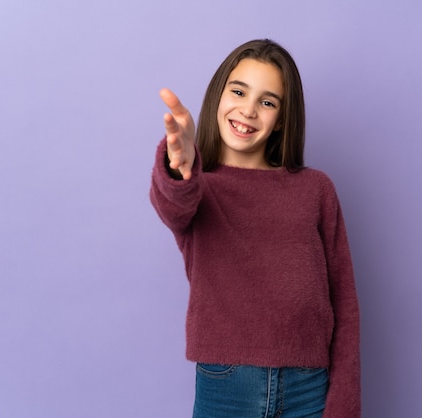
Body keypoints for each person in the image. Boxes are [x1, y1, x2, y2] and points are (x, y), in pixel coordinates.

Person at [150, 39, 360, 418]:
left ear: (281, 118)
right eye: (238, 91)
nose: (248, 110)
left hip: (310, 388)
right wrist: (178, 166)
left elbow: (344, 303)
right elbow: (173, 204)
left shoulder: (316, 189)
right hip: (227, 387)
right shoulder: (199, 187)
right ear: (219, 94)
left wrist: (344, 402)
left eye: (267, 102)